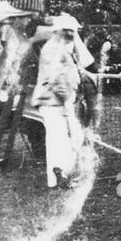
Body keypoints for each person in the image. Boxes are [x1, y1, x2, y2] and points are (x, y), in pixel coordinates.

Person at [30, 13, 92, 189]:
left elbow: (70, 72)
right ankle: (61, 173)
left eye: (73, 31)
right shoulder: (55, 49)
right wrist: (66, 103)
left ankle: (59, 175)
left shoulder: (60, 46)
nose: (72, 34)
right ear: (59, 31)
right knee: (66, 139)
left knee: (62, 139)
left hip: (59, 100)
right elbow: (56, 78)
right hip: (55, 101)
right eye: (68, 31)